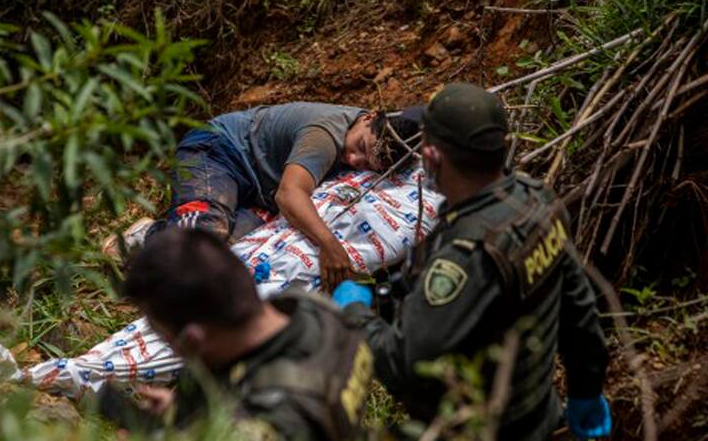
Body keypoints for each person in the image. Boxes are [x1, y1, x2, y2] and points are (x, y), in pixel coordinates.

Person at [332, 83, 612, 440]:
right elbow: (580, 311)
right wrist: (586, 390)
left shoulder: (466, 257)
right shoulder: (538, 202)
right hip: (536, 414)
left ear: (431, 158)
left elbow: (406, 367)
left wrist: (354, 313)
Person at [103, 102, 419, 288]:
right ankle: (145, 238)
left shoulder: (368, 143)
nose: (354, 161)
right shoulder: (325, 136)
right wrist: (330, 247)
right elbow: (290, 195)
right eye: (360, 148)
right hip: (218, 152)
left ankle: (166, 235)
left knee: (231, 254)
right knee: (202, 239)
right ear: (368, 117)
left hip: (260, 192)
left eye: (367, 164)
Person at [113, 227, 374, 440]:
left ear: (192, 340)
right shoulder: (313, 310)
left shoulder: (272, 421)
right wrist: (183, 414)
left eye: (163, 335)